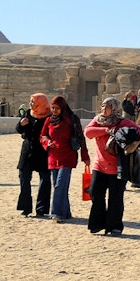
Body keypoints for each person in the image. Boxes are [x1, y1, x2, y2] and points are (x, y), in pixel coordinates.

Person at [83, 97, 140, 235]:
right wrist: (106, 130)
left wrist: (126, 134)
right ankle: (97, 224)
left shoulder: (122, 122)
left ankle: (114, 226)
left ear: (114, 108)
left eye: (107, 107)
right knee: (95, 194)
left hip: (118, 167)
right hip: (99, 165)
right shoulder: (98, 120)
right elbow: (88, 132)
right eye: (103, 106)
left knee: (115, 198)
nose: (104, 109)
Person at [41, 95, 88, 223]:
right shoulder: (49, 120)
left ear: (63, 107)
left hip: (68, 157)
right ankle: (65, 213)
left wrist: (85, 156)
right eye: (52, 108)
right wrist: (47, 142)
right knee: (60, 187)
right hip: (53, 157)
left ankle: (56, 213)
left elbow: (81, 138)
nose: (54, 110)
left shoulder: (72, 119)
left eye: (57, 108)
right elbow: (43, 135)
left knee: (60, 185)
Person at [16, 93, 52, 217]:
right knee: (23, 177)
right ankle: (26, 207)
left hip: (43, 152)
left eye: (33, 102)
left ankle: (41, 209)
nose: (30, 104)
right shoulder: (28, 113)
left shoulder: (49, 117)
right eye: (31, 101)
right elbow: (18, 129)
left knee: (45, 180)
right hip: (27, 151)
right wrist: (21, 125)